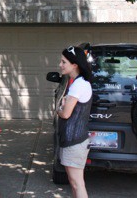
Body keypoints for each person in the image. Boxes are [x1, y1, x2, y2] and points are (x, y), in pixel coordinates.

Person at [56, 45, 93, 198]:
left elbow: (65, 114)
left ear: (74, 65)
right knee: (74, 182)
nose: (60, 65)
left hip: (75, 142)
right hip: (73, 140)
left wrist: (58, 108)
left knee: (77, 183)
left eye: (64, 62)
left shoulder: (79, 85)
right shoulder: (78, 83)